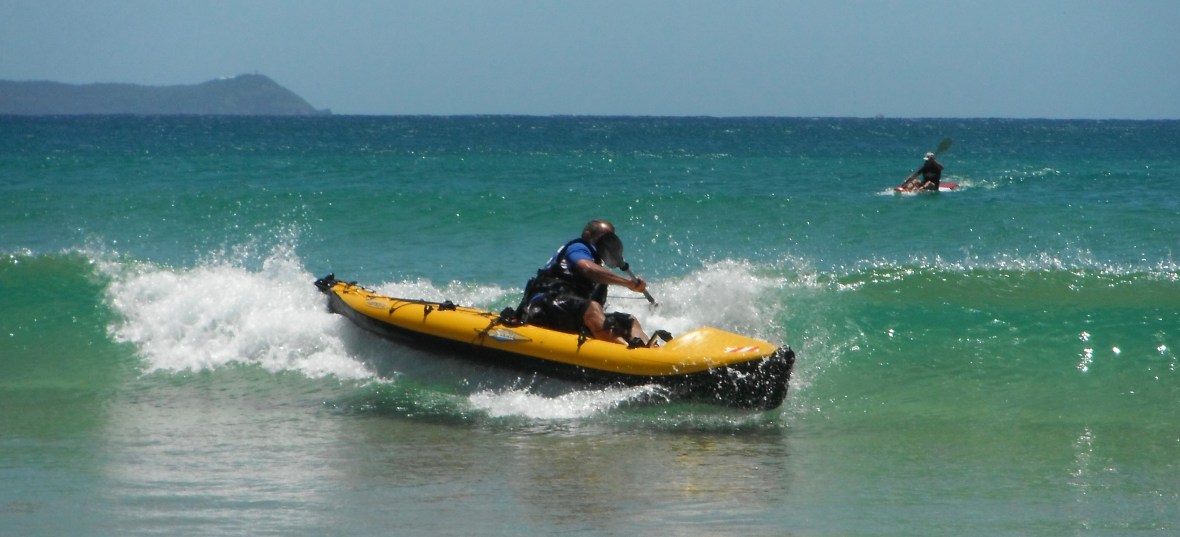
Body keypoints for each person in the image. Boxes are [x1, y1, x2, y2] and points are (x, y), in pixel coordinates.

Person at [519, 219, 651, 347]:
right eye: (604, 237)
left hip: (570, 313)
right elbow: (586, 268)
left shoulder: (599, 269)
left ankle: (649, 350)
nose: (608, 242)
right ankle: (626, 353)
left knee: (629, 321)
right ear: (588, 234)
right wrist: (627, 283)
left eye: (611, 238)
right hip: (543, 306)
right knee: (592, 307)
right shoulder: (579, 247)